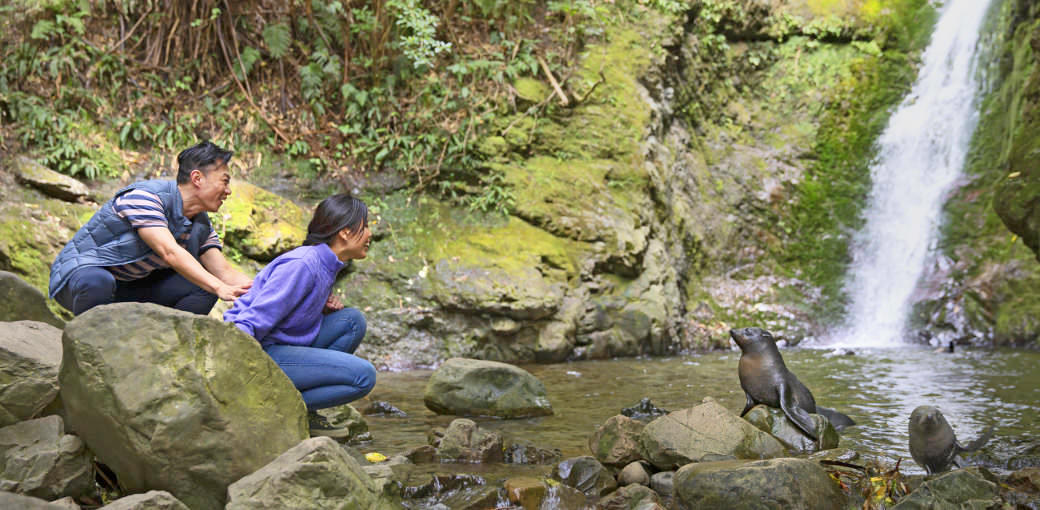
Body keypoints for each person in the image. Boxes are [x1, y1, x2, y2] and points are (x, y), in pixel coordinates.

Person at [224, 193, 377, 439]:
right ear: (345, 233)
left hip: (285, 345)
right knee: (363, 376)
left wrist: (320, 307)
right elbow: (252, 319)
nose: (370, 233)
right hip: (262, 352)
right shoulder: (303, 264)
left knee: (351, 321)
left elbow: (291, 308)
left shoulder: (328, 263)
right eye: (365, 225)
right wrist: (234, 376)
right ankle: (283, 409)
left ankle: (306, 411)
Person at [48, 141, 253, 316]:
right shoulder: (146, 197)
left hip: (128, 287)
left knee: (204, 287)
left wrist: (265, 290)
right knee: (98, 282)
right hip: (79, 280)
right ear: (197, 178)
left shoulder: (200, 224)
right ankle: (87, 343)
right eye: (224, 181)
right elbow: (169, 252)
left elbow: (224, 272)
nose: (228, 191)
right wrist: (219, 287)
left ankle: (166, 346)